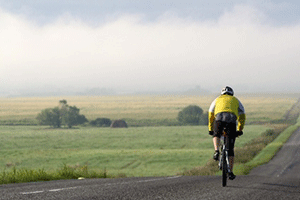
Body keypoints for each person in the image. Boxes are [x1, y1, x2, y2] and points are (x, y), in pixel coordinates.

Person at [208, 86, 246, 180]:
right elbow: (242, 115)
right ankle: (230, 172)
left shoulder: (217, 99)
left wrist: (210, 128)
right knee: (230, 149)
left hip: (219, 119)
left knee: (216, 134)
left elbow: (210, 113)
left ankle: (217, 151)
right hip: (231, 121)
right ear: (232, 94)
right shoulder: (236, 100)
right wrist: (240, 129)